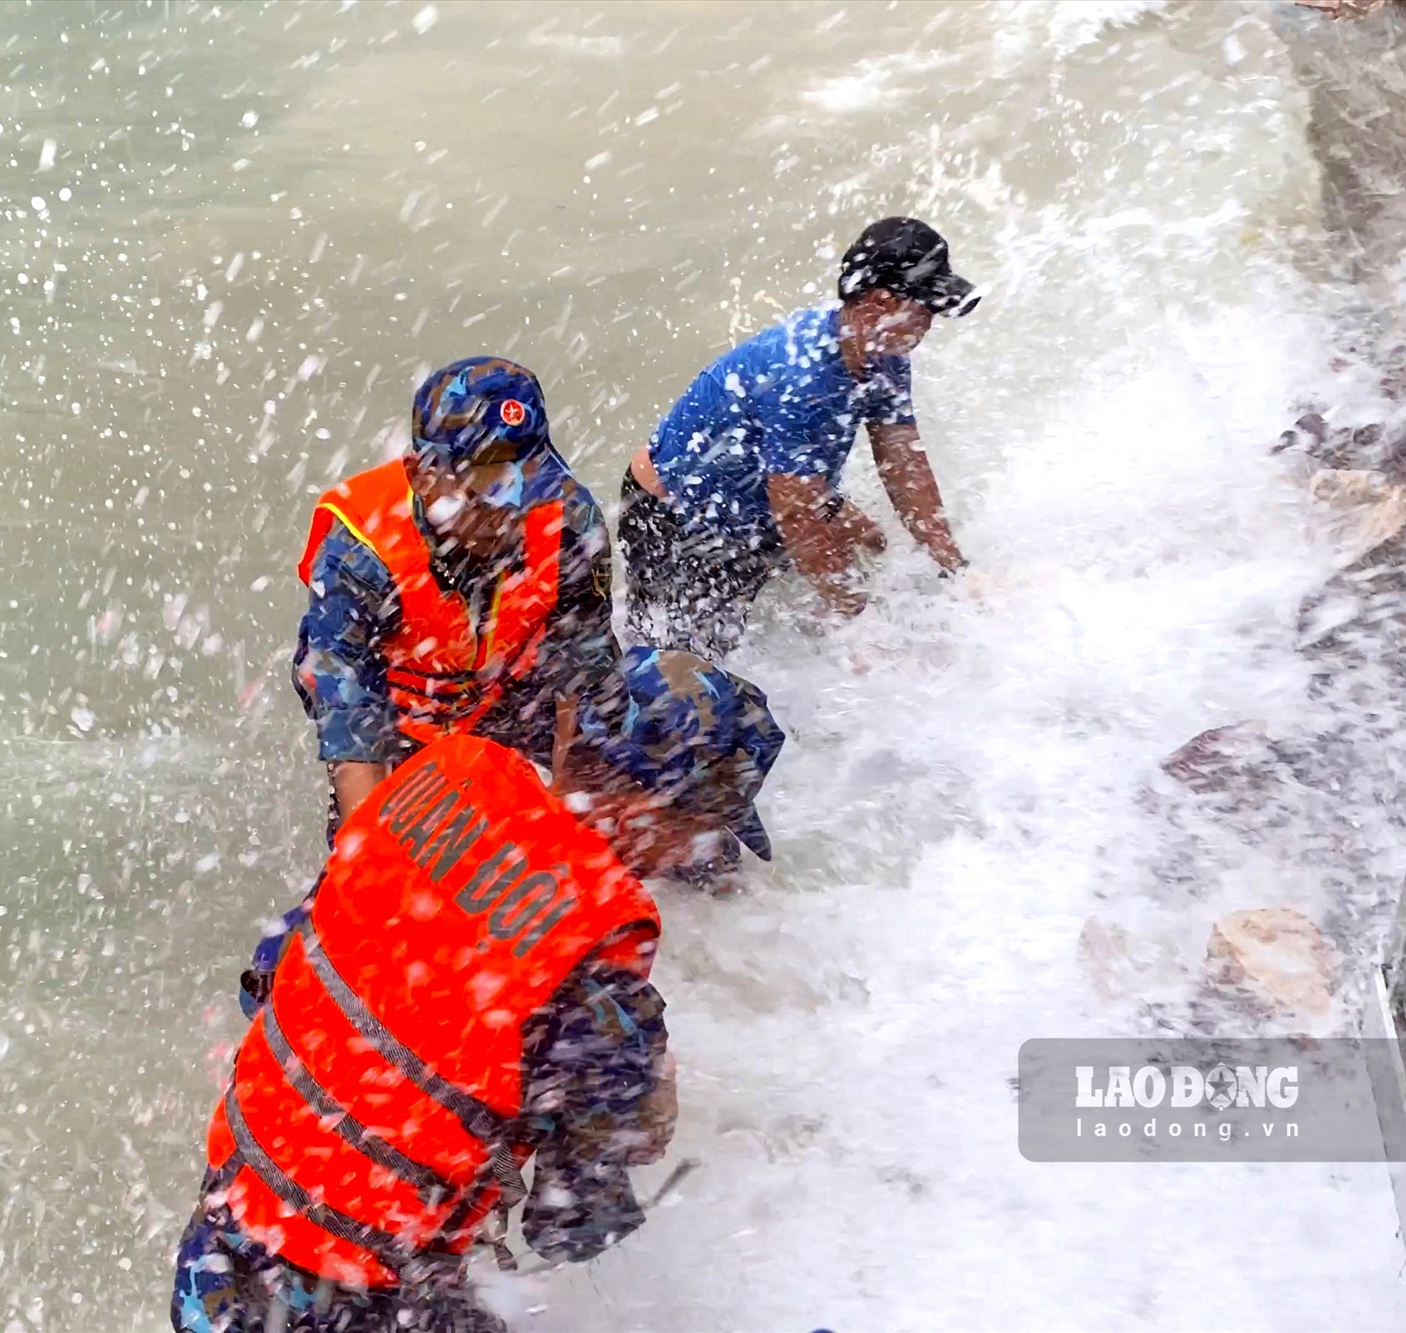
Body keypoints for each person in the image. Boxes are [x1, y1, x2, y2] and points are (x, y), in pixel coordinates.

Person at [173, 651, 783, 1333]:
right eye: (705, 834)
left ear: (568, 734)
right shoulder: (595, 970)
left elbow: (271, 969)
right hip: (349, 1312)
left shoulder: (438, 774)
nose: (697, 858)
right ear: (664, 818)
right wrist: (644, 1119)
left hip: (217, 1261)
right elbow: (573, 1225)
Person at [620, 216, 978, 660]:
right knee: (687, 669)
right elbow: (795, 514)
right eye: (925, 309)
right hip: (678, 515)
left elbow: (904, 464)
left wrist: (955, 567)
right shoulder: (804, 377)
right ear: (880, 303)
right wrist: (856, 619)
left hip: (767, 492)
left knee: (872, 543)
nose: (930, 322)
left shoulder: (883, 355)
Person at [293, 357, 617, 843]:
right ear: (422, 476)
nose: (511, 511)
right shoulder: (361, 552)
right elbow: (352, 720)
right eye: (486, 488)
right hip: (400, 710)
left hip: (507, 690)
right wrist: (369, 858)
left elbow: (584, 675)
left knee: (624, 780)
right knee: (385, 853)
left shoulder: (570, 522)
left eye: (527, 478)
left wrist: (570, 819)